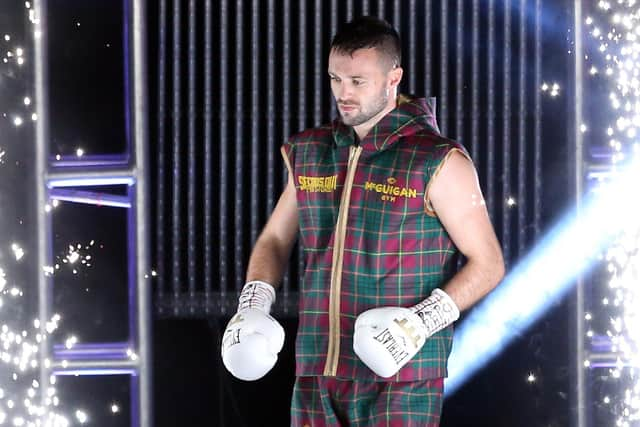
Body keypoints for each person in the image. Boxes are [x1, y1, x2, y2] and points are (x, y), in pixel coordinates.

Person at [221, 16, 505, 426]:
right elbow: (275, 240)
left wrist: (420, 322)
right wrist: (254, 304)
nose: (344, 93)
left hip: (401, 377)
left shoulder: (437, 159)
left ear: (394, 78)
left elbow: (488, 262)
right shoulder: (310, 151)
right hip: (318, 370)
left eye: (358, 81)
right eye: (336, 79)